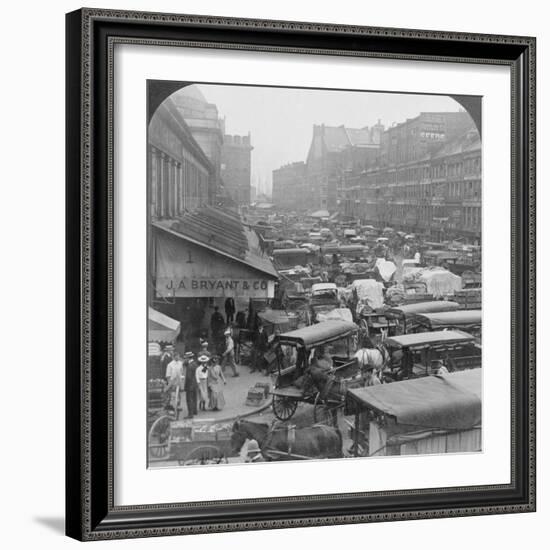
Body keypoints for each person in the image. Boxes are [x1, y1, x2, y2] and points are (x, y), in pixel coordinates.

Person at [183, 352, 199, 418]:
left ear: (188, 358)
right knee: (194, 398)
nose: (185, 359)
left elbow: (188, 377)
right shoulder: (195, 364)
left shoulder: (189, 366)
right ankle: (195, 411)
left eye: (185, 358)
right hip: (195, 384)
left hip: (190, 385)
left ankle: (190, 414)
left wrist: (185, 385)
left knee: (189, 399)